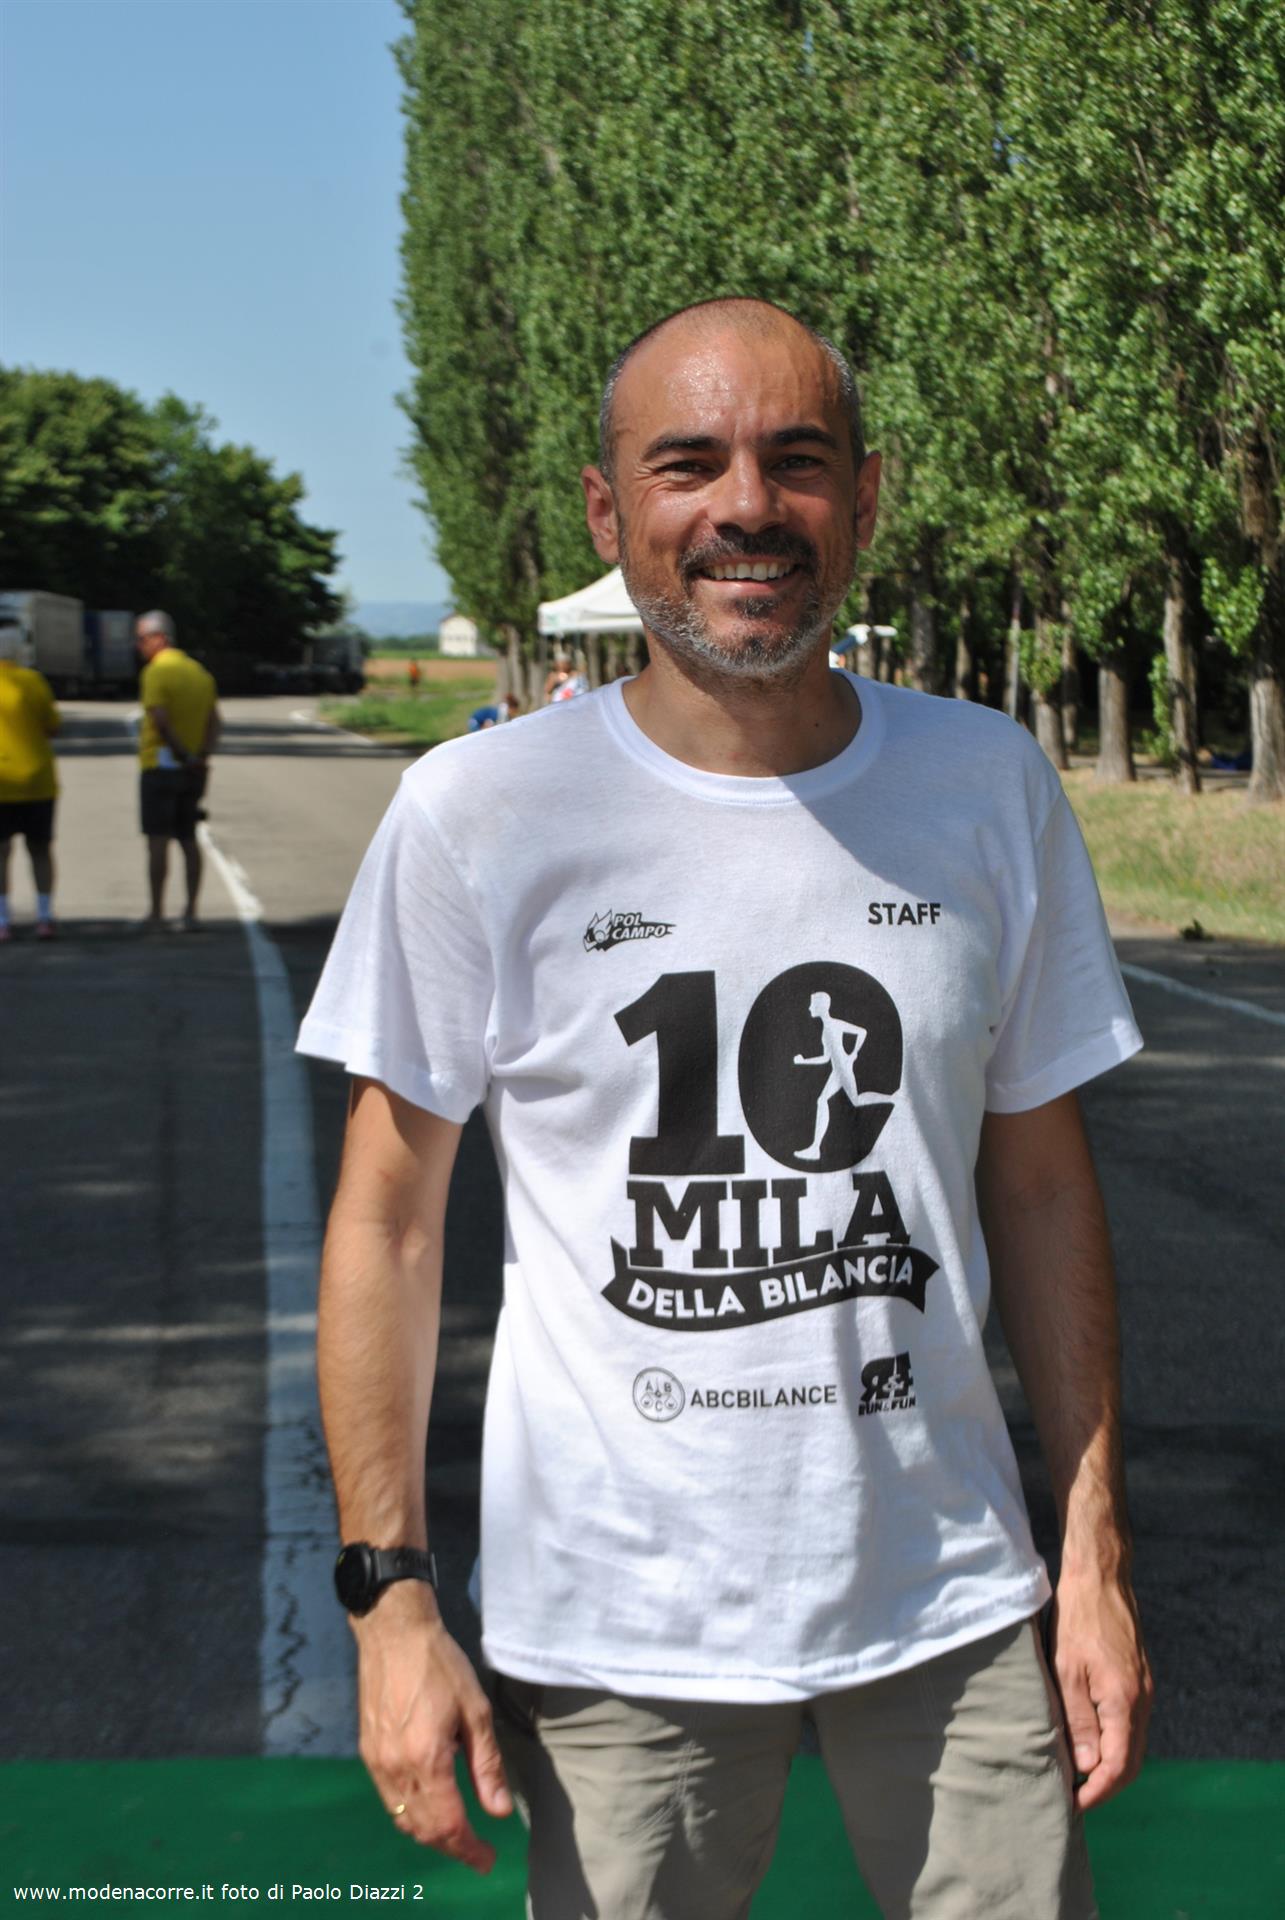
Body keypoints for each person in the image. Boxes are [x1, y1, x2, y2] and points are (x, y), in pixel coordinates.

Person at [299, 297, 1152, 1919]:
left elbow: (1044, 1186)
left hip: (951, 1599)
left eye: (797, 460)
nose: (746, 505)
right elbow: (389, 1219)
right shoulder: (481, 811)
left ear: (864, 499)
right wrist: (390, 1601)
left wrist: (1094, 1556)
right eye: (687, 464)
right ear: (608, 511)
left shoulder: (988, 786)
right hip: (620, 1629)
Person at [134, 612, 220, 931]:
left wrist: (182, 753)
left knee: (158, 840)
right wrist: (201, 755)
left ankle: (157, 912)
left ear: (159, 638)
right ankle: (191, 911)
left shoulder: (156, 671)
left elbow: (159, 718)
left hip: (160, 766)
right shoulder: (199, 673)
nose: (139, 646)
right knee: (188, 838)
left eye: (142, 639)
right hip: (193, 770)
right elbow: (214, 720)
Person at [0, 620, 61, 943]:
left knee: (1, 853)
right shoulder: (33, 681)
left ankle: (3, 919)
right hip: (38, 780)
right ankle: (44, 916)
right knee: (40, 850)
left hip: (2, 782)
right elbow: (53, 726)